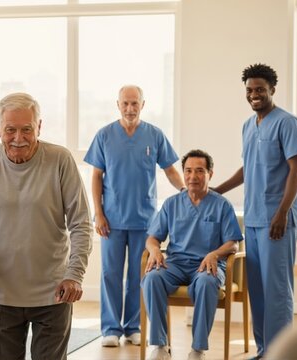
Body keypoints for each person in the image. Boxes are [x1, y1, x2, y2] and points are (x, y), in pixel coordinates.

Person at [0, 92, 93, 360]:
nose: (18, 138)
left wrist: (74, 274)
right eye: (10, 130)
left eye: (27, 129)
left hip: (54, 293)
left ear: (39, 127)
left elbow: (81, 224)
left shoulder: (61, 160)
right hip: (2, 294)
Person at [214, 63, 297, 359]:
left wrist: (282, 213)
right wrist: (217, 191)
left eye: (260, 90)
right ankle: (265, 349)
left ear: (272, 90)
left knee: (277, 290)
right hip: (253, 219)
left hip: (277, 221)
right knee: (259, 290)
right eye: (250, 90)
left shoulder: (287, 123)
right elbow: (248, 168)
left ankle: (282, 353)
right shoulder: (247, 126)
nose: (254, 95)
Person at [84, 85, 185, 347]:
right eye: (125, 103)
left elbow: (170, 170)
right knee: (111, 274)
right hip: (112, 220)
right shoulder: (105, 135)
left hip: (145, 220)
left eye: (135, 103)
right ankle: (110, 328)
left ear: (143, 104)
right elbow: (96, 176)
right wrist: (99, 213)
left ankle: (133, 327)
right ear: (117, 105)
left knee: (140, 275)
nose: (130, 108)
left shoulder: (154, 135)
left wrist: (186, 190)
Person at [142, 149, 244, 360]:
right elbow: (153, 238)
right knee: (151, 278)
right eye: (188, 171)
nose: (192, 176)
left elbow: (233, 244)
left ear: (210, 174)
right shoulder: (172, 204)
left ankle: (198, 350)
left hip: (208, 266)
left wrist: (215, 253)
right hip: (176, 265)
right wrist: (154, 250)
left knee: (207, 283)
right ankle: (160, 346)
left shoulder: (221, 205)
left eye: (199, 171)